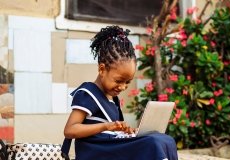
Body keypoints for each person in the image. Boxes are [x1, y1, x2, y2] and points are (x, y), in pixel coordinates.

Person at [63, 25, 178, 160]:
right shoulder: (88, 94)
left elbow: (113, 132)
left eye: (127, 82)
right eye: (118, 81)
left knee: (165, 140)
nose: (122, 87)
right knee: (152, 143)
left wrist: (129, 132)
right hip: (95, 153)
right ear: (102, 69)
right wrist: (106, 126)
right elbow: (69, 130)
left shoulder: (113, 99)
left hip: (109, 149)